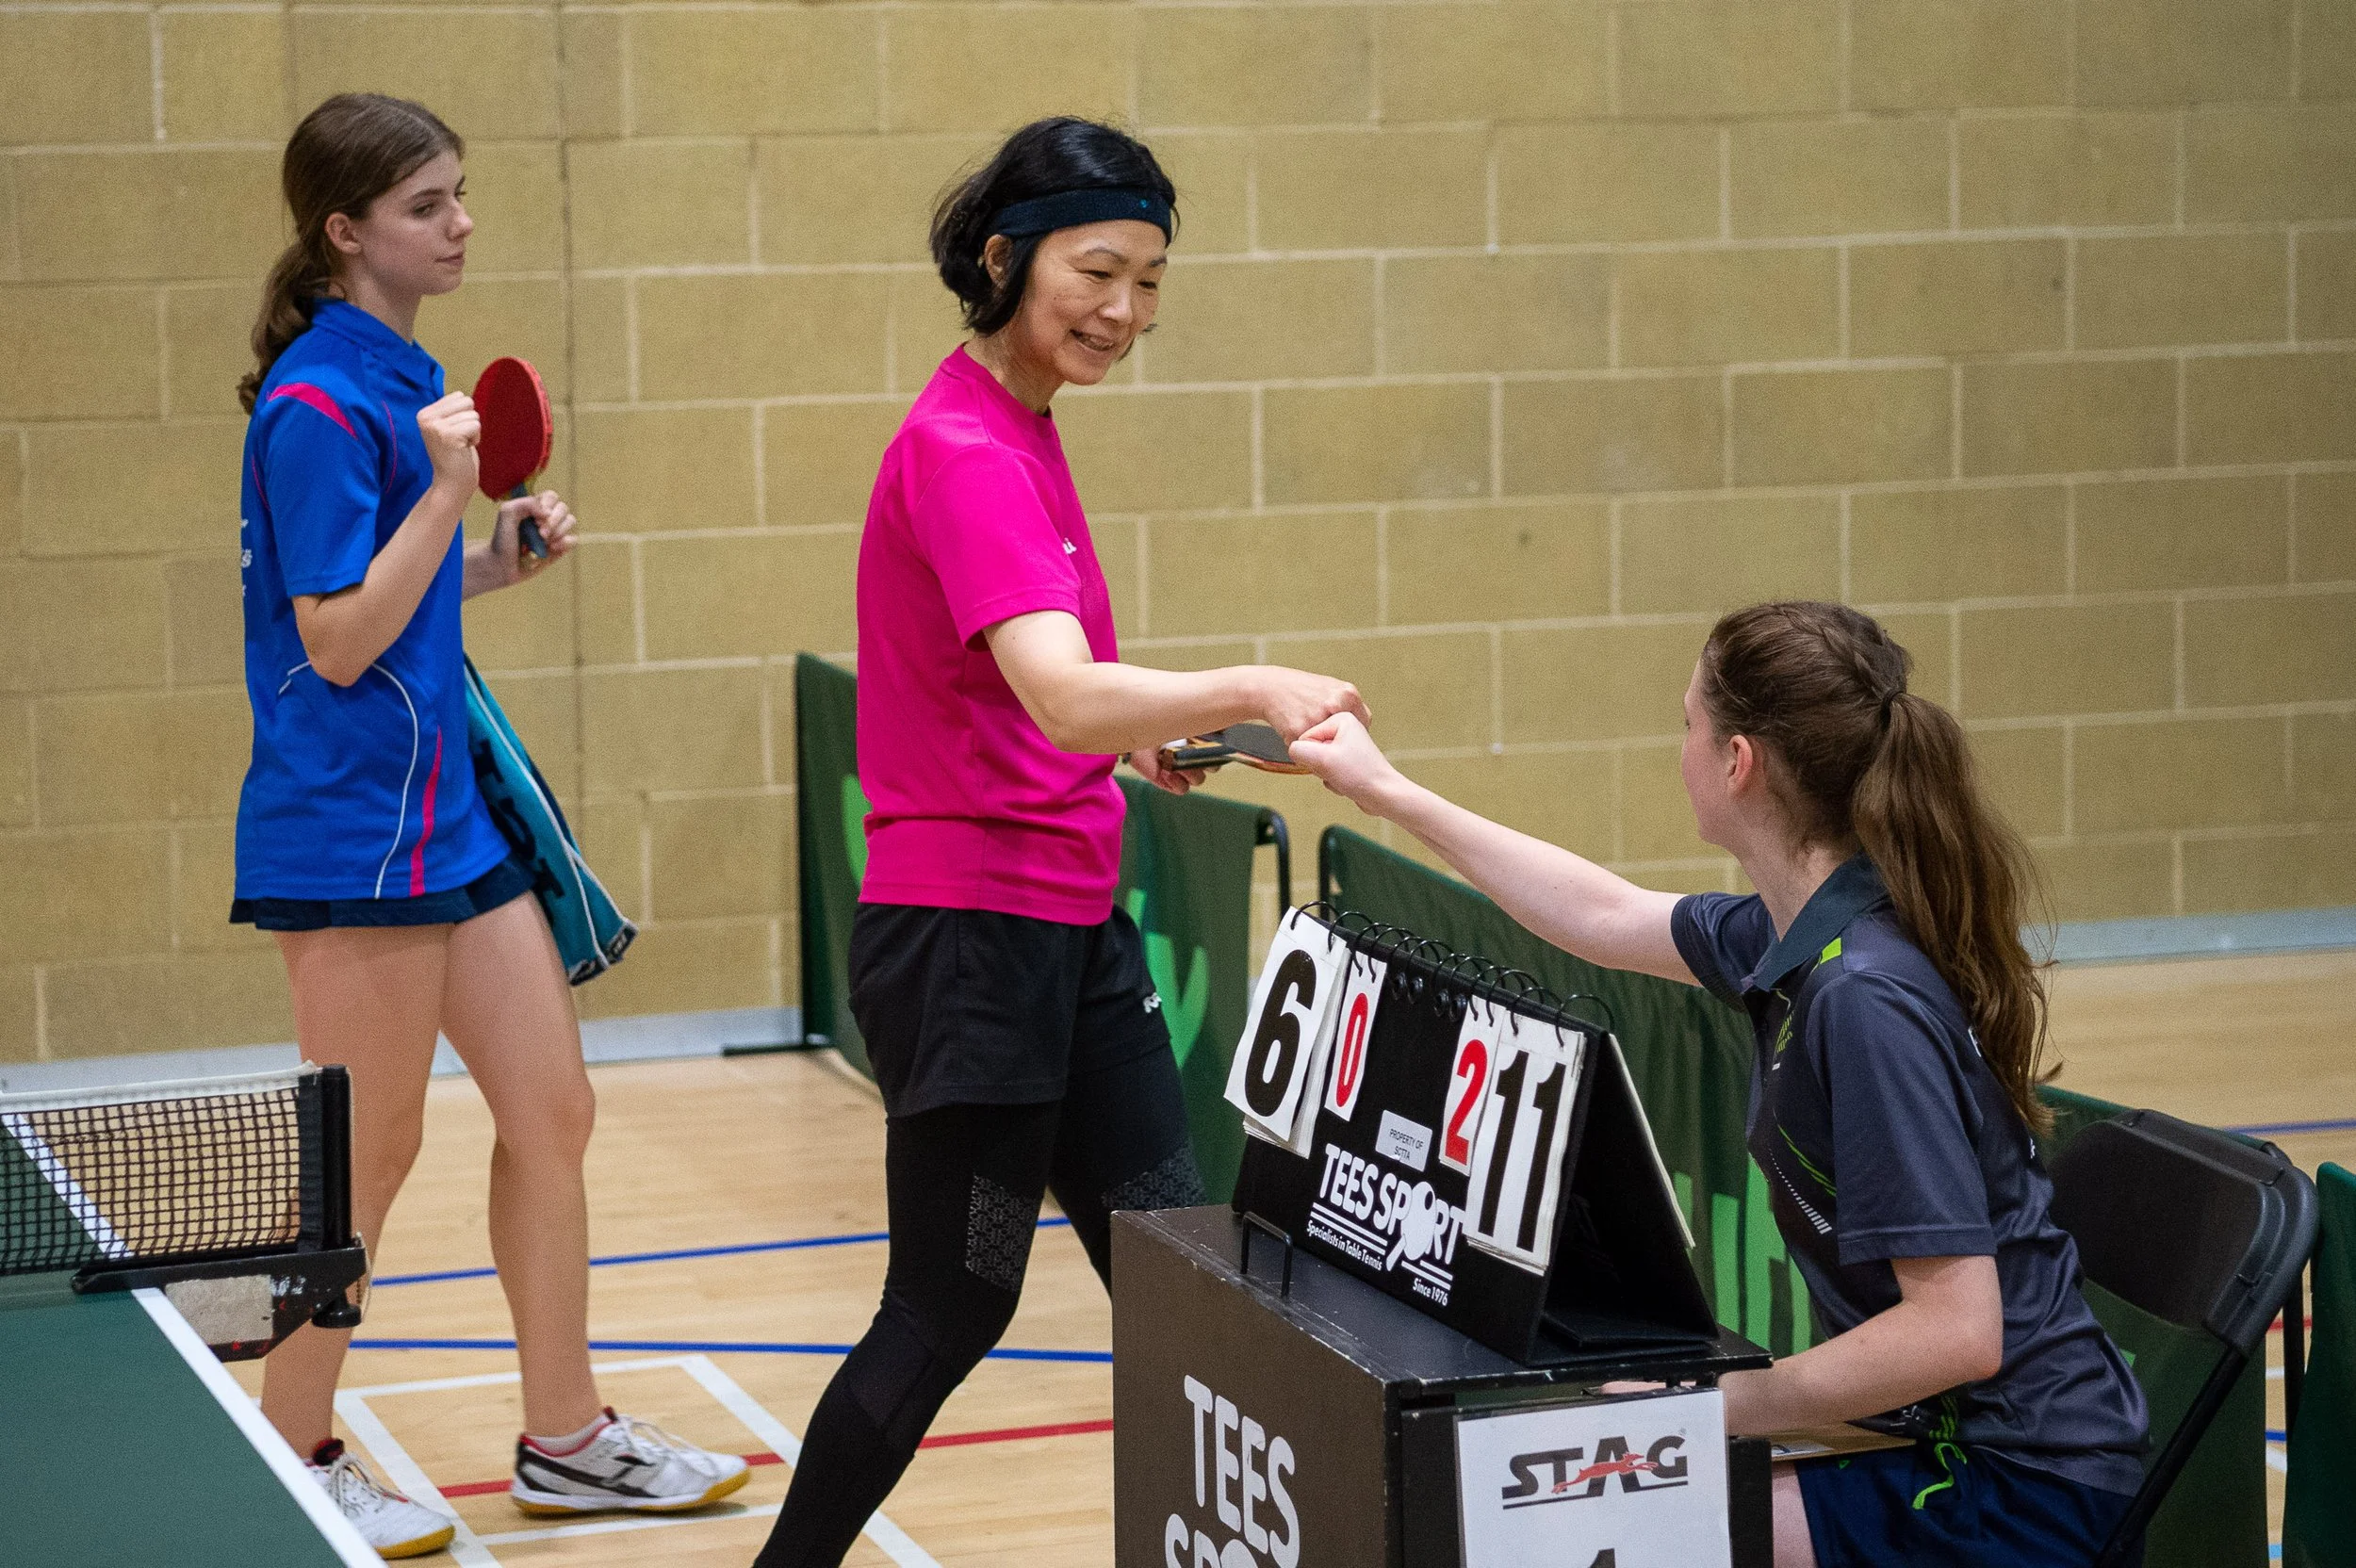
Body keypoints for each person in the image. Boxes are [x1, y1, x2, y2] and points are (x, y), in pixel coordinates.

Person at [750, 117, 1369, 1568]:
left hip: (1068, 922)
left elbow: (1046, 694)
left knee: (1182, 1272)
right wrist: (1247, 682)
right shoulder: (964, 449)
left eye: (1153, 281)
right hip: (968, 940)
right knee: (952, 1305)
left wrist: (1134, 737)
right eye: (1101, 271)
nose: (1127, 312)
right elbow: (1059, 686)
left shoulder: (1023, 430)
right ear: (1004, 258)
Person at [1289, 601, 2150, 1568]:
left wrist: (1712, 1411)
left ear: (1738, 761)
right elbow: (1600, 911)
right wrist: (1386, 791)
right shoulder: (1795, 932)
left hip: (2013, 1482)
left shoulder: (1863, 997)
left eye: (1687, 722)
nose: (1681, 744)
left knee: (1592, 1514)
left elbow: (1956, 1330)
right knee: (1578, 1486)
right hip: (1933, 1438)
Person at [234, 92, 746, 1559]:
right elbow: (333, 638)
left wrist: (490, 560)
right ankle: (296, 1443)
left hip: (448, 825)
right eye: (426, 207)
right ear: (346, 231)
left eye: (460, 197)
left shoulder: (403, 373)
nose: (460, 225)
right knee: (366, 1159)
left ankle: (569, 1438)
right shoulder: (320, 405)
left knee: (552, 1113)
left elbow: (395, 609)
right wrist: (454, 487)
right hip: (349, 839)